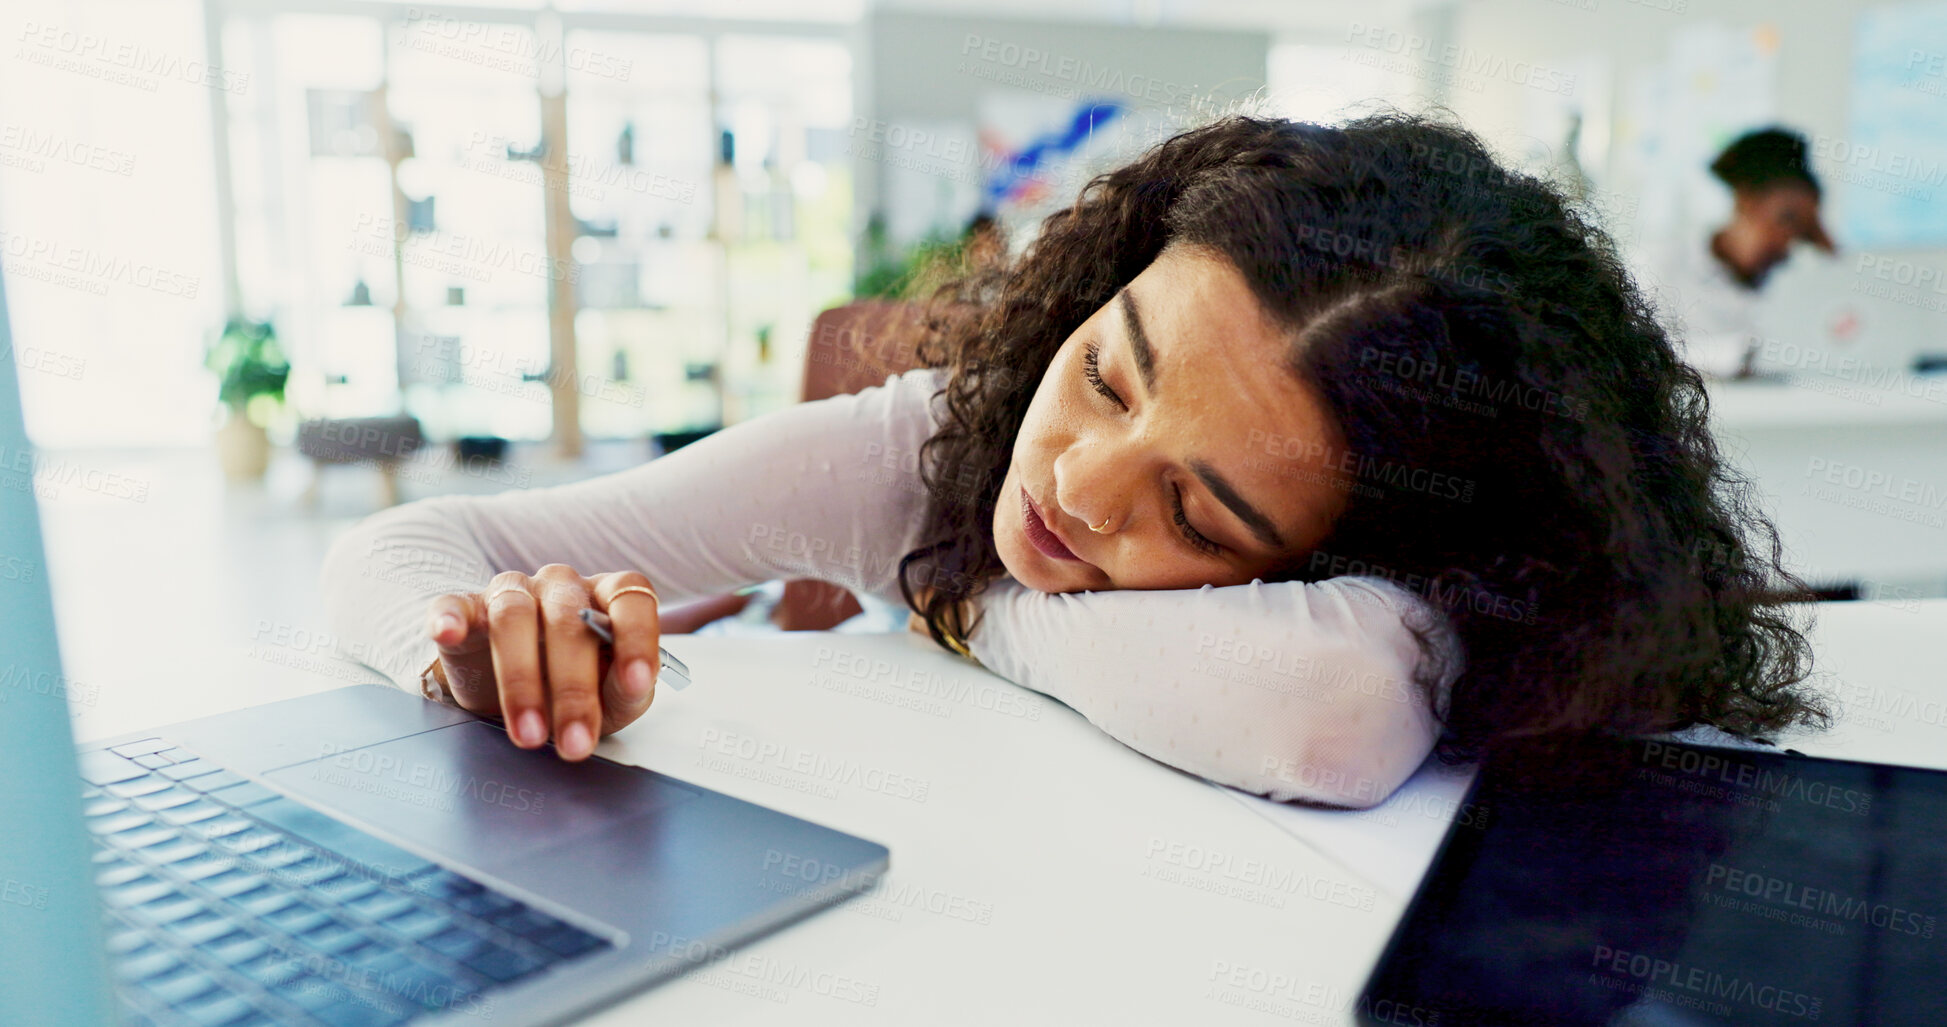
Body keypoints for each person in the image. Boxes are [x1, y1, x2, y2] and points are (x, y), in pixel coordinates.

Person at [321, 113, 1827, 810]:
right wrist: (468, 650)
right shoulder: (921, 450)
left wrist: (965, 609)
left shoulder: (1418, 593)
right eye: (1106, 372)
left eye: (1198, 512)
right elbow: (399, 547)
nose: (1074, 488)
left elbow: (1328, 716)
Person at [1636, 127, 1836, 378]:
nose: (1788, 241)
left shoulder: (1795, 282)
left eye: (1803, 229)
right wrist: (1740, 355)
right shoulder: (1661, 267)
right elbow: (1649, 355)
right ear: (1745, 200)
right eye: (1786, 218)